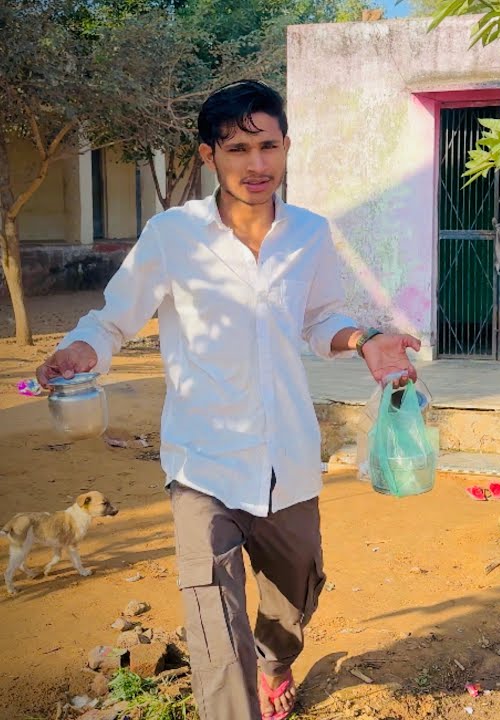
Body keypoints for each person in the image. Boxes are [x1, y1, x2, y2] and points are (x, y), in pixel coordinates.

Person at [36, 80, 420, 720]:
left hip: (288, 459)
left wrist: (365, 339)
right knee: (215, 631)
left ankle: (276, 659)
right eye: (238, 148)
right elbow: (112, 318)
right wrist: (83, 349)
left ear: (287, 147)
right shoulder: (172, 235)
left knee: (294, 600)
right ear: (209, 156)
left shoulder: (309, 234)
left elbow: (319, 318)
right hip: (202, 462)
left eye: (269, 145)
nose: (257, 164)